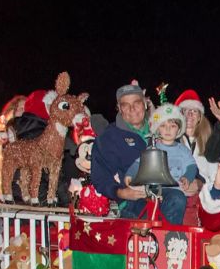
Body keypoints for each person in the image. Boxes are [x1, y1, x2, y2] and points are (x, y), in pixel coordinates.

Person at [91, 80, 187, 224]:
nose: (132, 109)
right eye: (125, 105)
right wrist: (121, 192)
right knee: (148, 218)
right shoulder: (108, 138)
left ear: (145, 103)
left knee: (178, 199)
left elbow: (183, 157)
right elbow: (100, 177)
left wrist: (195, 181)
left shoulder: (163, 128)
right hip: (133, 199)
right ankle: (162, 240)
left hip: (165, 192)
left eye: (136, 102)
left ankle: (168, 241)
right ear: (119, 108)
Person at [125, 102, 201, 200]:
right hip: (154, 189)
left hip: (176, 190)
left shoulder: (183, 150)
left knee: (179, 198)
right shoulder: (152, 149)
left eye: (173, 126)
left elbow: (191, 166)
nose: (168, 129)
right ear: (158, 129)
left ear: (178, 130)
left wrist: (187, 177)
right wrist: (130, 174)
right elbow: (138, 164)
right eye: (163, 126)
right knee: (138, 193)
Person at [175, 89, 212, 158]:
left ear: (199, 117)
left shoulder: (209, 141)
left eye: (194, 111)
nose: (190, 114)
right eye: (185, 110)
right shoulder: (172, 140)